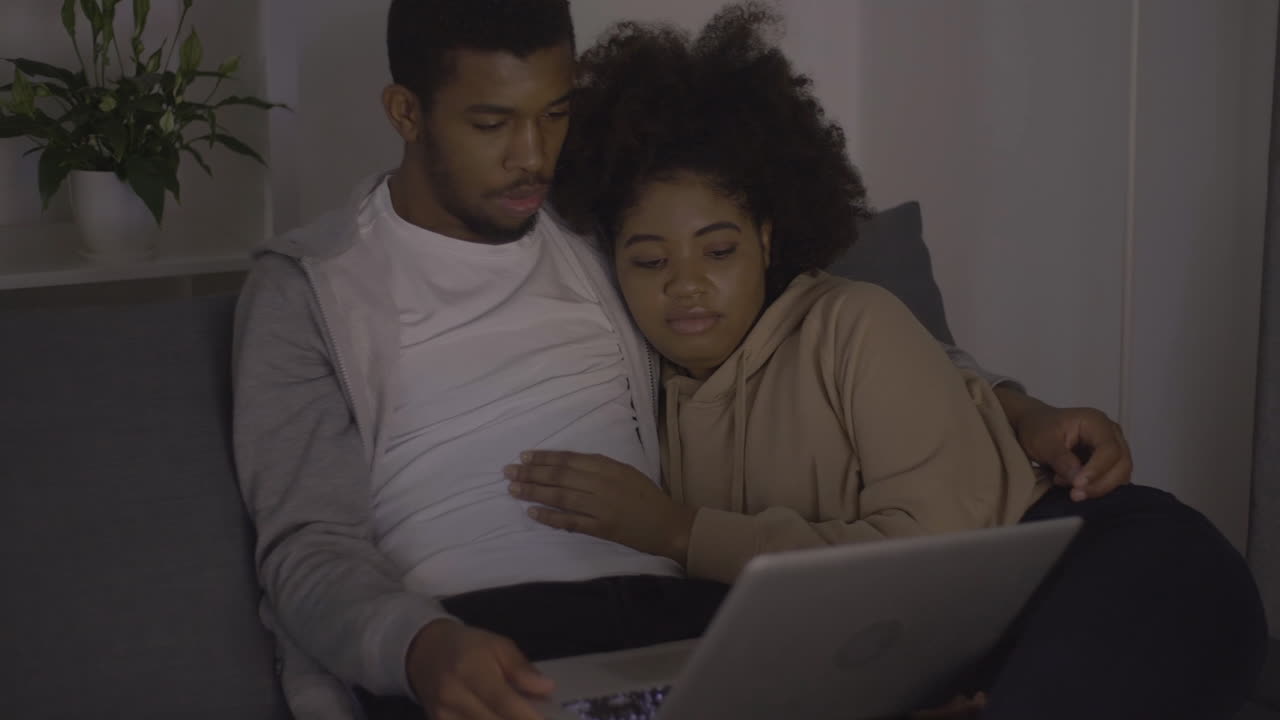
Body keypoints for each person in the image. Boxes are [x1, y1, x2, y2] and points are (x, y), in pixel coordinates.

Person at [233, 1, 1141, 718]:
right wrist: (419, 648)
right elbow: (307, 546)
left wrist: (1019, 410)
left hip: (692, 615)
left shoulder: (601, 226)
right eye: (492, 122)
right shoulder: (309, 288)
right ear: (405, 112)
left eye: (555, 115)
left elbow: (804, 314)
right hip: (480, 636)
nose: (533, 155)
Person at [505, 5, 1269, 719]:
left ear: (767, 239)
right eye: (648, 260)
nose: (688, 284)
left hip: (1099, 557)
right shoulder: (646, 397)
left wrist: (677, 530)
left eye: (719, 248)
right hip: (955, 647)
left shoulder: (850, 320)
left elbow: (930, 570)